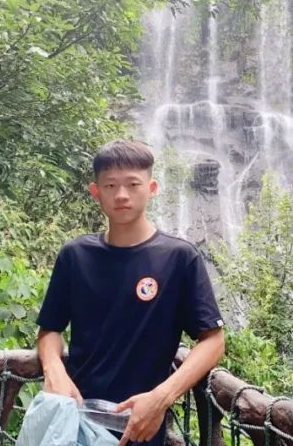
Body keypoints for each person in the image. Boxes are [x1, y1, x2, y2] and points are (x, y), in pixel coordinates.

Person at [35, 140, 226, 446]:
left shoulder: (179, 258)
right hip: (74, 420)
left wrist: (161, 397)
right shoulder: (75, 255)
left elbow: (213, 341)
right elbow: (49, 329)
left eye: (133, 184)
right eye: (110, 185)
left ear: (152, 188)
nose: (121, 195)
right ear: (95, 192)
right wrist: (54, 369)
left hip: (141, 427)